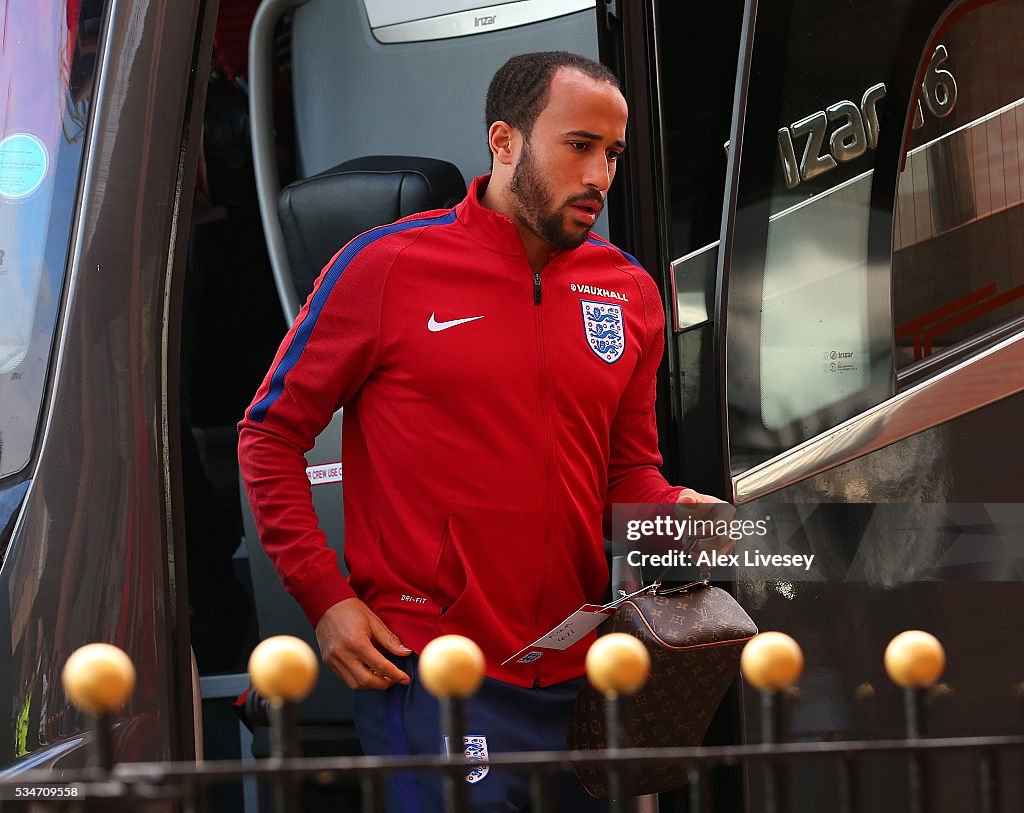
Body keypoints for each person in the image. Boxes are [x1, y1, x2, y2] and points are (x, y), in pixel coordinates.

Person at [238, 50, 725, 812]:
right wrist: (324, 596)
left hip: (577, 672)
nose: (600, 175)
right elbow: (268, 435)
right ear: (505, 142)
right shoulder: (385, 266)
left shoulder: (628, 291)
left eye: (613, 154)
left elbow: (628, 473)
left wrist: (673, 508)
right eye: (579, 146)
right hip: (434, 669)